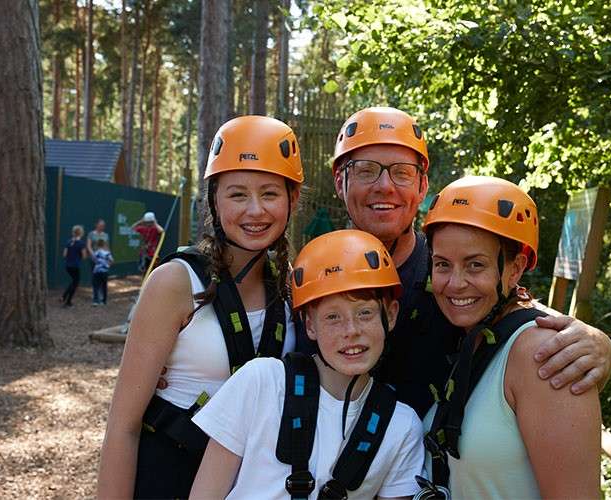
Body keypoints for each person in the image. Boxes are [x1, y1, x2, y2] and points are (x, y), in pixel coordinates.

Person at [330, 107, 611, 417]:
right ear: (339, 181)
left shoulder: (450, 275)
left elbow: (513, 312)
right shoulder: (312, 277)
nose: (384, 186)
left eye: (402, 172)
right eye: (366, 170)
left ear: (422, 187)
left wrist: (597, 343)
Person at [97, 116, 303, 499]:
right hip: (169, 475)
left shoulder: (292, 288)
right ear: (214, 200)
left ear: (292, 200)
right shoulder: (176, 282)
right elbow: (123, 426)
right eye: (237, 194)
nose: (255, 210)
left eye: (270, 193)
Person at [190, 230, 424, 500]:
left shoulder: (401, 427)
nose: (351, 331)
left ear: (391, 314)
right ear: (310, 325)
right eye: (333, 317)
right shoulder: (262, 383)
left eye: (365, 313)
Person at [422, 176, 600, 498]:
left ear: (515, 268)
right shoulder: (471, 339)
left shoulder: (543, 356)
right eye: (442, 264)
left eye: (475, 265)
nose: (455, 283)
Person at [61, 224, 86, 307]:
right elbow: (84, 256)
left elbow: (64, 254)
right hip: (75, 266)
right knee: (75, 283)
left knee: (73, 281)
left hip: (68, 266)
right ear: (81, 233)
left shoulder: (69, 242)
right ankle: (68, 302)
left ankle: (64, 296)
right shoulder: (81, 243)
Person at [91, 239, 113, 306]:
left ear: (97, 245)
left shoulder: (96, 252)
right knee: (104, 286)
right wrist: (107, 265)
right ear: (104, 245)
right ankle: (104, 301)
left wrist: (98, 263)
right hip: (104, 271)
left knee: (96, 286)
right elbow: (111, 260)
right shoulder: (107, 253)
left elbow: (94, 260)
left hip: (97, 271)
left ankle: (95, 301)